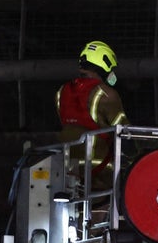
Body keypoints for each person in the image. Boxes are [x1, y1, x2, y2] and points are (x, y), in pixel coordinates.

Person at [55, 40, 129, 187]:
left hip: (66, 168)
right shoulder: (106, 94)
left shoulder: (62, 91)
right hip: (99, 169)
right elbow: (125, 132)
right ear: (105, 65)